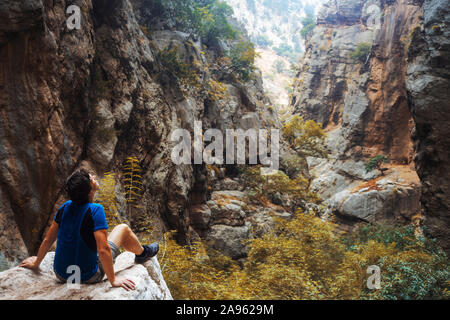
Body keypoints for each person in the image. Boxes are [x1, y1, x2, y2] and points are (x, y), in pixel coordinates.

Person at [19, 169, 159, 291]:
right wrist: (113, 280)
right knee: (123, 229)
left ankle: (142, 252)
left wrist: (37, 262)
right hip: (87, 276)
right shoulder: (95, 210)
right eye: (90, 178)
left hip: (61, 275)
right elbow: (103, 250)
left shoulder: (64, 207)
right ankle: (142, 253)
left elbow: (48, 239)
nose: (93, 176)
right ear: (89, 190)